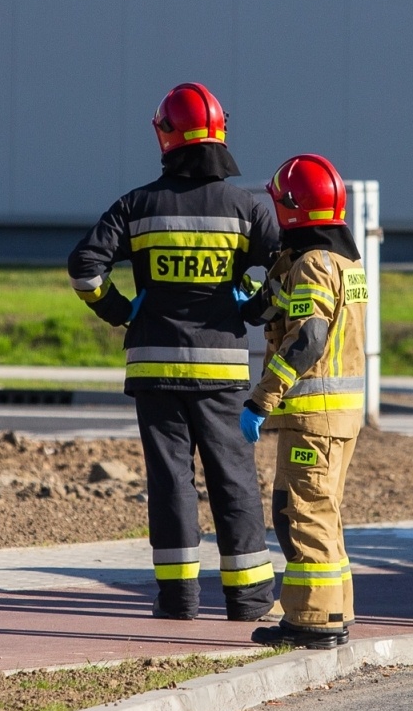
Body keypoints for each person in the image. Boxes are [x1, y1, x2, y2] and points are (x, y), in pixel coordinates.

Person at [68, 83, 279, 621]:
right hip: (222, 372)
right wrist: (254, 308)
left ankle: (178, 599)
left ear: (165, 135)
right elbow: (287, 271)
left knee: (171, 485)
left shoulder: (136, 206)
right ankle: (250, 600)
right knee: (233, 481)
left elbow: (85, 269)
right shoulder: (246, 208)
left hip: (154, 370)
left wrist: (121, 310)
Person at [238, 154, 368, 650]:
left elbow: (308, 338)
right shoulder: (343, 261)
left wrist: (261, 400)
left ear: (292, 208)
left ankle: (312, 620)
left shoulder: (313, 263)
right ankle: (335, 611)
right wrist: (258, 299)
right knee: (321, 512)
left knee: (301, 514)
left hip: (314, 416)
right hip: (338, 417)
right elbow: (283, 305)